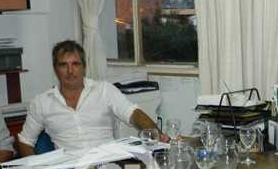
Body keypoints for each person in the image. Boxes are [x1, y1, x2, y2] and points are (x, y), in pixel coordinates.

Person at [17, 39, 166, 156]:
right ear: (55, 69)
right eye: (63, 65)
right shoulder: (41, 102)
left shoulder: (104, 90)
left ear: (84, 67)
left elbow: (133, 113)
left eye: (75, 64)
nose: (70, 71)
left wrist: (157, 135)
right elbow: (25, 141)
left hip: (107, 164)